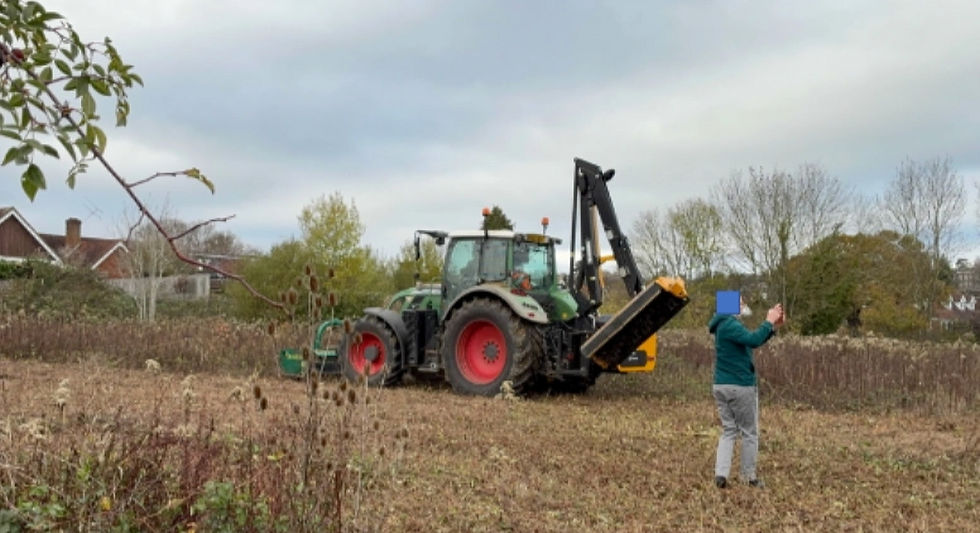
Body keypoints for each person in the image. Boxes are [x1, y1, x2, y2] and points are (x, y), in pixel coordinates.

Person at [707, 292, 783, 489]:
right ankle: (748, 477)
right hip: (739, 386)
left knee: (729, 431)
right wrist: (769, 321)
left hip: (721, 385)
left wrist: (773, 328)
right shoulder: (730, 324)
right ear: (729, 306)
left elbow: (751, 340)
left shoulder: (721, 325)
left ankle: (721, 475)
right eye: (739, 302)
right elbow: (754, 340)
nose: (743, 305)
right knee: (749, 433)